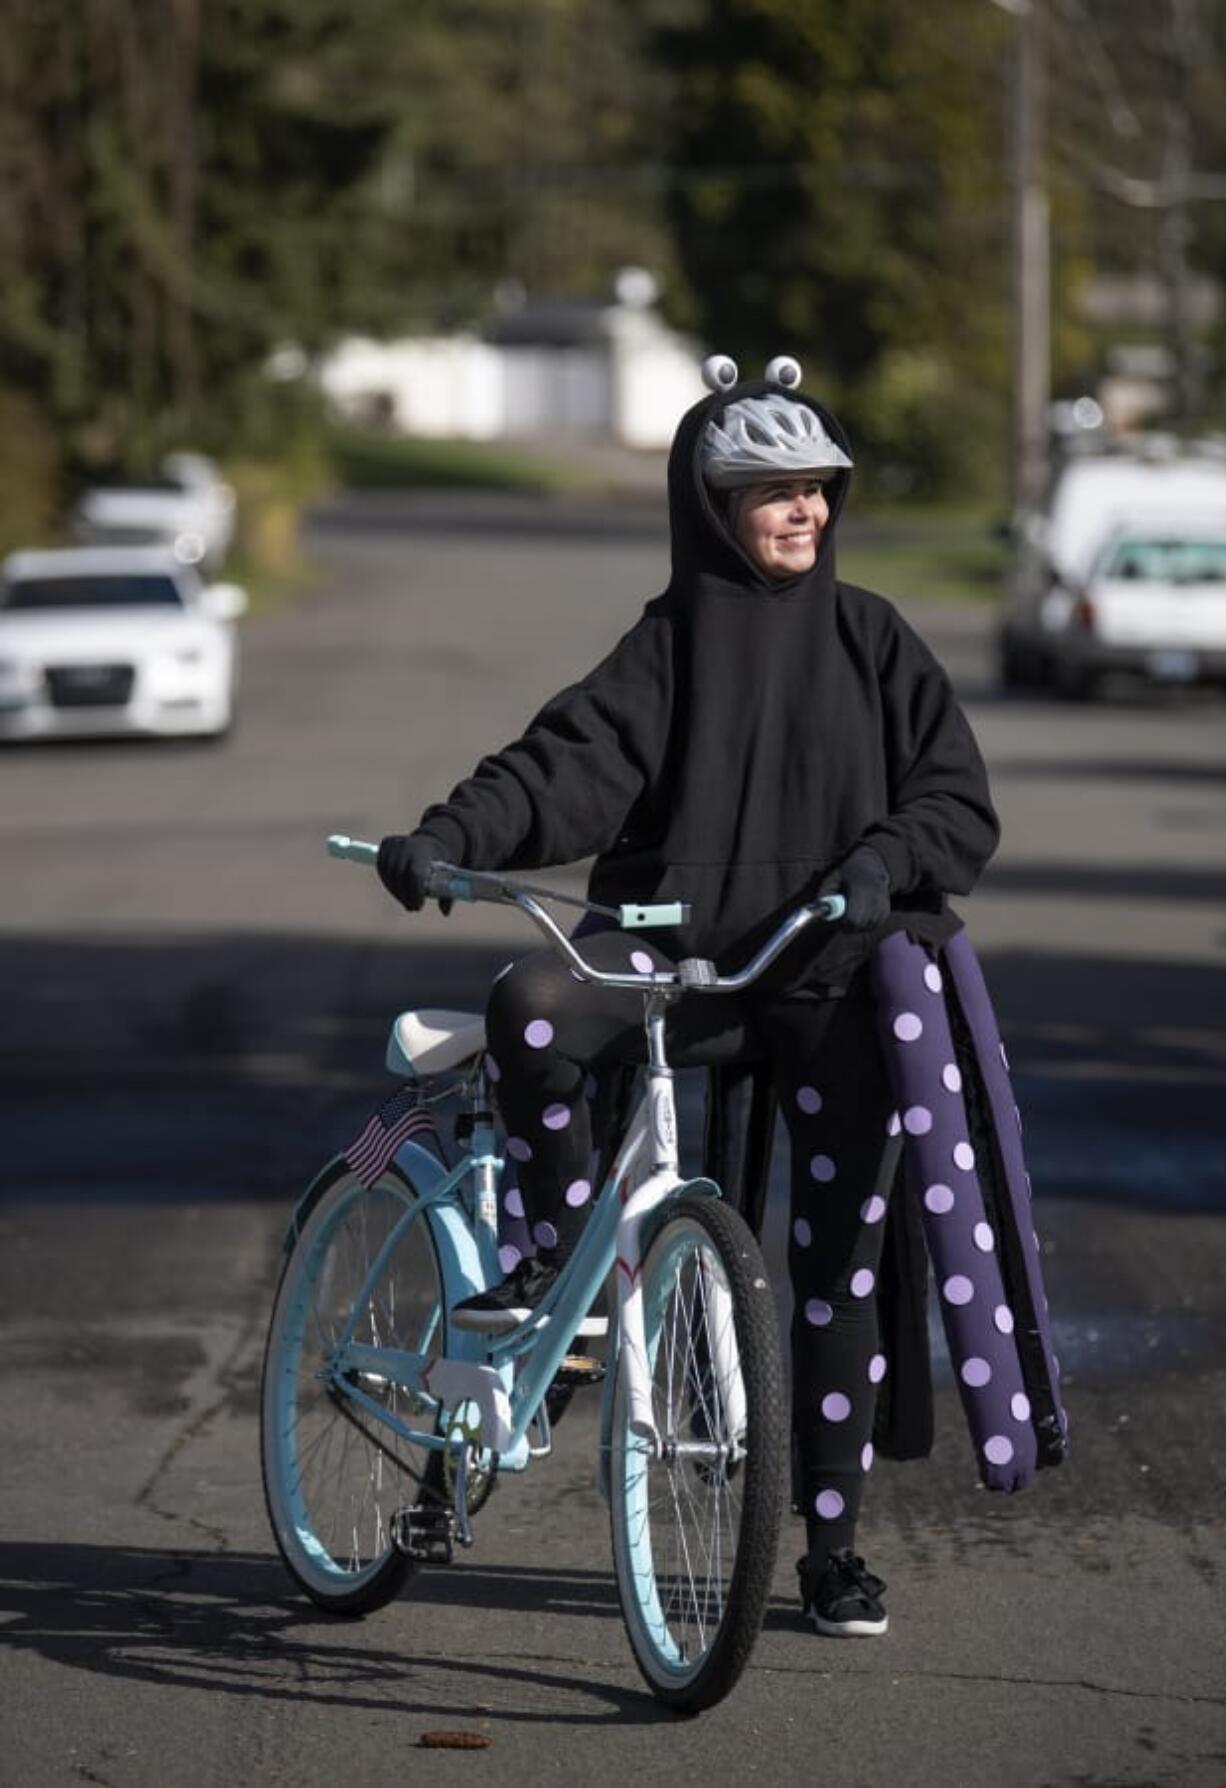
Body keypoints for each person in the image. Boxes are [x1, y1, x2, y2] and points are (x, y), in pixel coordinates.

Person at [377, 361, 1065, 1640]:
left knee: (833, 1274)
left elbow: (956, 802)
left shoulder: (874, 641)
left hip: (825, 981)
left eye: (816, 489)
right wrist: (445, 833)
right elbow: (564, 767)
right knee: (529, 1000)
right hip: (679, 965)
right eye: (770, 494)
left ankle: (831, 1551)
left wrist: (880, 865)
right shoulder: (670, 641)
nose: (801, 512)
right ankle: (564, 1276)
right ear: (708, 507)